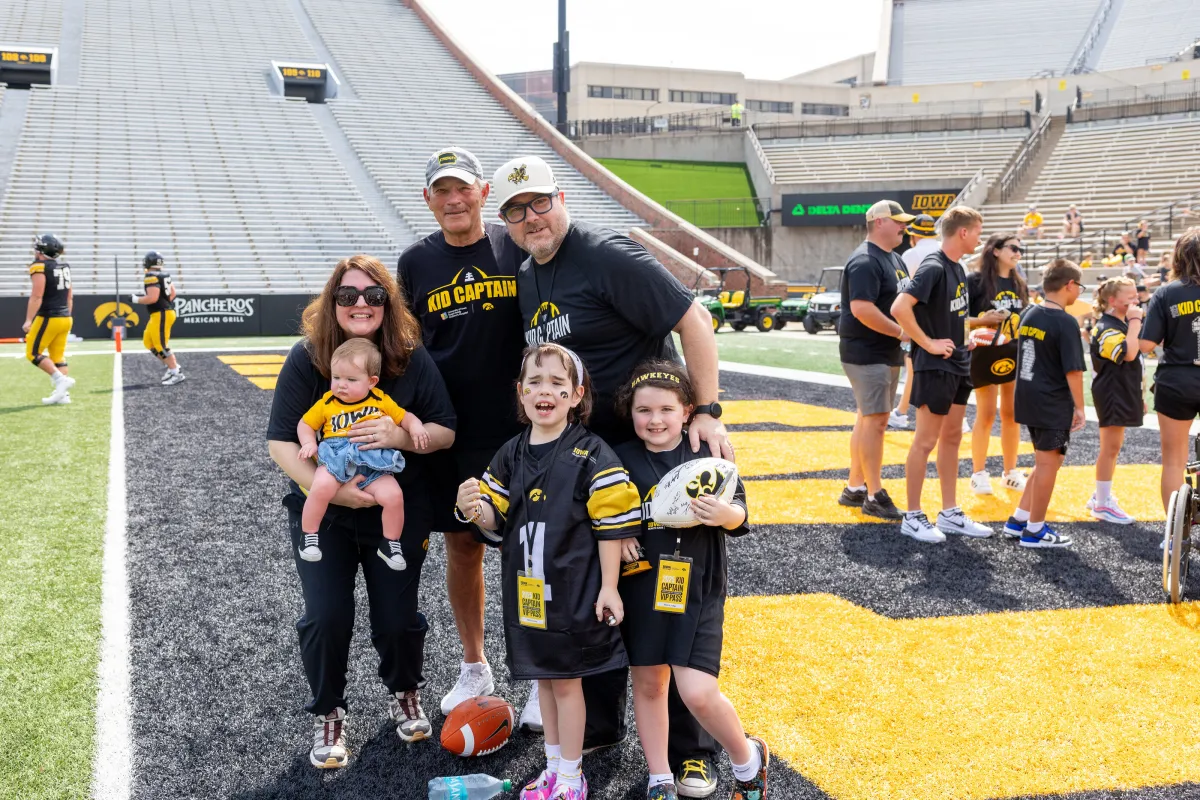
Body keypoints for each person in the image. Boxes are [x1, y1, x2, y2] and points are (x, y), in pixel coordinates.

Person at [494, 154, 730, 797]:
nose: (530, 218)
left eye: (538, 203)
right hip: (590, 458)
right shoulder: (526, 275)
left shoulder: (608, 256)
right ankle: (598, 725)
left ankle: (690, 750)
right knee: (590, 590)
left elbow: (695, 322)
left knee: (665, 597)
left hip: (648, 451)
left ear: (561, 198)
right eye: (516, 211)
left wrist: (705, 412)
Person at [267, 254, 458, 768]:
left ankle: (405, 690)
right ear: (331, 303)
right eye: (347, 295)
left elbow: (444, 430)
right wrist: (330, 491)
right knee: (326, 616)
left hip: (395, 508)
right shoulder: (308, 358)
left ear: (388, 304)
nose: (360, 304)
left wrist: (399, 436)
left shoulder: (411, 357)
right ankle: (328, 712)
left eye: (374, 295)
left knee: (397, 619)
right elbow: (281, 442)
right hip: (326, 510)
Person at [457, 343, 642, 800]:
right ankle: (554, 768)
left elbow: (610, 529)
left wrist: (610, 589)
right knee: (543, 679)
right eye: (535, 382)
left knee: (567, 685)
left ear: (577, 394)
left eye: (558, 384)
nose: (546, 391)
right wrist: (472, 509)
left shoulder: (591, 452)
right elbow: (494, 519)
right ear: (520, 393)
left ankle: (573, 775)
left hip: (574, 591)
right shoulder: (510, 453)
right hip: (528, 593)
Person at [396, 147, 532, 723]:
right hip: (454, 433)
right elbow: (406, 348)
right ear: (428, 200)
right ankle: (475, 665)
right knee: (464, 545)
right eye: (441, 191)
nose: (453, 200)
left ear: (482, 193)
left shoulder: (516, 244)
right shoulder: (414, 263)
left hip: (524, 428)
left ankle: (541, 674)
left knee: (536, 552)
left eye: (462, 189)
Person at [613, 361, 769, 800]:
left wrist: (728, 515)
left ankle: (748, 759)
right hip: (642, 587)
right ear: (631, 412)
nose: (655, 420)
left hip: (698, 588)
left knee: (698, 692)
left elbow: (741, 513)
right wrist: (619, 531)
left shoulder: (707, 453)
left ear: (687, 412)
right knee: (648, 684)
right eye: (644, 410)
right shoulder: (619, 457)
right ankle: (660, 776)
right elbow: (602, 512)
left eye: (666, 409)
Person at [891, 206, 993, 543]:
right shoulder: (934, 265)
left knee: (952, 438)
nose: (980, 238)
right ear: (963, 232)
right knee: (924, 441)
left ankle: (949, 513)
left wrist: (972, 334)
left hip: (958, 363)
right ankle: (913, 515)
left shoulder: (958, 268)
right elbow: (899, 308)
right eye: (977, 231)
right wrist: (928, 343)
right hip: (935, 366)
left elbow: (954, 316)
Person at [296, 338, 431, 568]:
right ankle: (309, 536)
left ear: (372, 382)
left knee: (393, 496)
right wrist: (309, 442)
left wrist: (416, 426)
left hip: (372, 460)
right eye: (336, 378)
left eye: (351, 379)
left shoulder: (381, 400)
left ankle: (390, 543)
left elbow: (404, 417)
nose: (341, 385)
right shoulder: (327, 402)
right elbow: (305, 424)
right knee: (320, 487)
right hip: (337, 457)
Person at [837, 199, 912, 521]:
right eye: (899, 222)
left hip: (879, 351)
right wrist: (902, 332)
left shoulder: (892, 257)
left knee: (868, 418)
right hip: (868, 351)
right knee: (877, 420)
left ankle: (856, 487)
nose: (904, 227)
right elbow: (862, 309)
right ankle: (874, 493)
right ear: (879, 222)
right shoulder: (866, 260)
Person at [1004, 259, 1087, 548]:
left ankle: (1019, 519)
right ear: (1069, 285)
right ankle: (1035, 530)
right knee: (1049, 464)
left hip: (1028, 395)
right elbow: (1073, 371)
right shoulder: (1064, 321)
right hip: (1051, 399)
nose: (1078, 293)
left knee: (1045, 461)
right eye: (1079, 286)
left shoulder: (1031, 312)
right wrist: (1080, 407)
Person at [1138, 229, 1200, 517]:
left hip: (1176, 379)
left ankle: (1174, 534)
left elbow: (1146, 344)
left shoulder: (1165, 293)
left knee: (1174, 461)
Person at [967, 233, 1029, 495]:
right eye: (1013, 248)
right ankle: (978, 473)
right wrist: (982, 321)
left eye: (1021, 249)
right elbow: (959, 319)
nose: (1018, 253)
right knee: (987, 413)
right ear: (995, 250)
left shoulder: (1019, 283)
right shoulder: (975, 281)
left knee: (1012, 415)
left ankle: (1010, 472)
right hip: (983, 353)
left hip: (1012, 352)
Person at [1087, 277, 1143, 524]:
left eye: (1136, 295)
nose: (1136, 300)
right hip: (1111, 394)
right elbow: (1129, 353)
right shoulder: (1107, 326)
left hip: (1120, 391)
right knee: (1110, 448)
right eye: (1129, 297)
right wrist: (1135, 321)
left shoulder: (1116, 323)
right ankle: (1102, 503)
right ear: (1112, 300)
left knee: (1113, 447)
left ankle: (1100, 494)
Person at [891, 214, 939, 430]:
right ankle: (959, 418)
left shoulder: (911, 254)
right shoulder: (945, 251)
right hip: (949, 319)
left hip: (919, 319)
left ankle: (901, 412)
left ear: (914, 235)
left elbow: (904, 291)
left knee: (912, 369)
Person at [24, 233, 75, 405]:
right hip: (65, 317)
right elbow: (70, 296)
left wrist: (29, 320)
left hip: (49, 316)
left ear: (41, 249)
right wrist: (67, 314)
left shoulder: (39, 267)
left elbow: (37, 295)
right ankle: (63, 395)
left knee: (33, 353)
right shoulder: (64, 267)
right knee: (58, 356)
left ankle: (60, 380)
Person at [133, 250, 185, 386]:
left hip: (161, 313)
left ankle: (176, 372)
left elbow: (152, 298)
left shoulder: (151, 276)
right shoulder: (164, 275)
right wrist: (165, 304)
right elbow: (173, 293)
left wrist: (136, 299)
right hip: (162, 313)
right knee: (148, 341)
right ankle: (172, 366)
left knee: (160, 345)